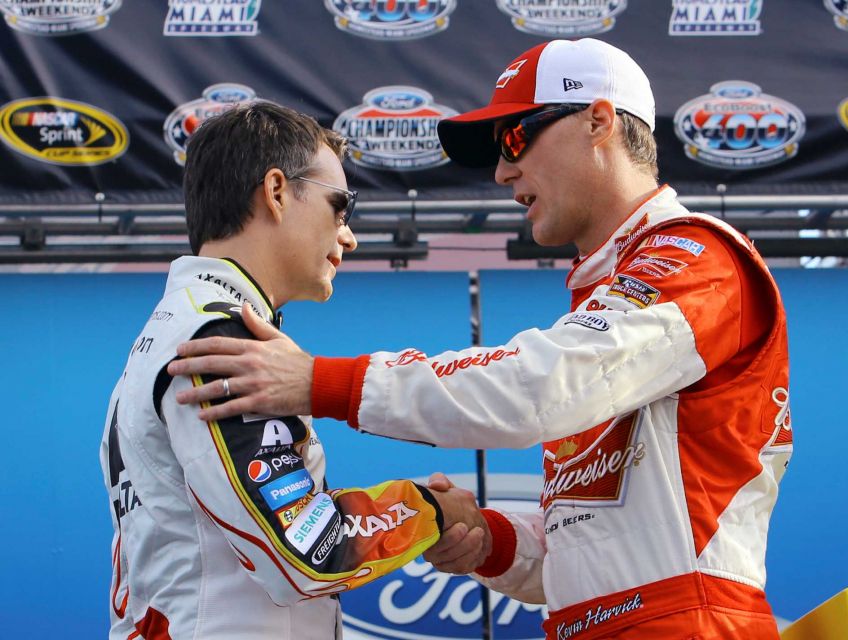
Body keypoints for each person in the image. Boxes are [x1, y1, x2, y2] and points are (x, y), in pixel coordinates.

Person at [167, 39, 793, 639]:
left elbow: (541, 387)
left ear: (600, 121)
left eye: (515, 137)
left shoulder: (696, 255)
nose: (501, 171)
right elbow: (591, 553)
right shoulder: (607, 297)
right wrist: (484, 539)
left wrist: (321, 382)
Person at [100, 101, 487, 640]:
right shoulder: (217, 340)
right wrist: (431, 510)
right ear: (277, 192)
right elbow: (309, 553)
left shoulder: (182, 330)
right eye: (342, 206)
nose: (349, 236)